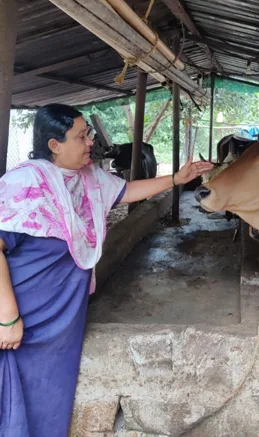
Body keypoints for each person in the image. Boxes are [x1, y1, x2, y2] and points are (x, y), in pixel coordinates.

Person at [0, 104, 213, 437]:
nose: (91, 143)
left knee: (48, 395)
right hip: (22, 314)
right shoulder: (25, 183)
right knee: (9, 395)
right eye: (81, 136)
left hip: (61, 319)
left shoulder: (88, 178)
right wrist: (8, 317)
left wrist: (176, 179)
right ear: (55, 145)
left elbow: (125, 192)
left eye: (89, 134)